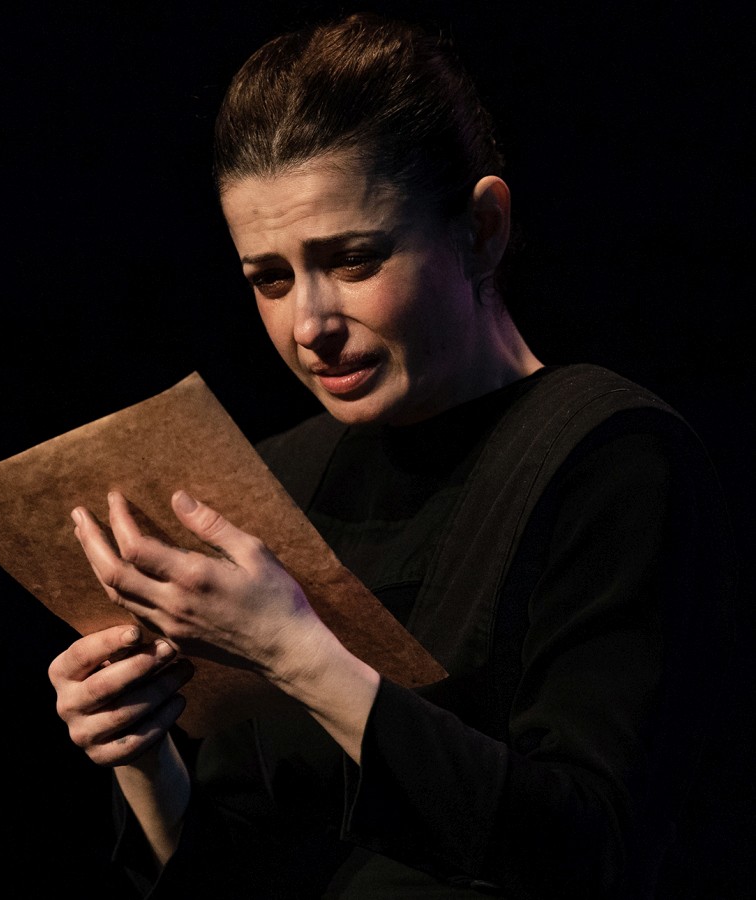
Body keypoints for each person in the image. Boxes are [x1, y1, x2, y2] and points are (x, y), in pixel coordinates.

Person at [47, 12, 737, 898]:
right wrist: (143, 753)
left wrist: (294, 650)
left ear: (481, 230)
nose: (310, 325)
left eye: (355, 260)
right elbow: (245, 871)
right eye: (270, 278)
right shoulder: (280, 479)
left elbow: (592, 850)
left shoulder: (609, 460)